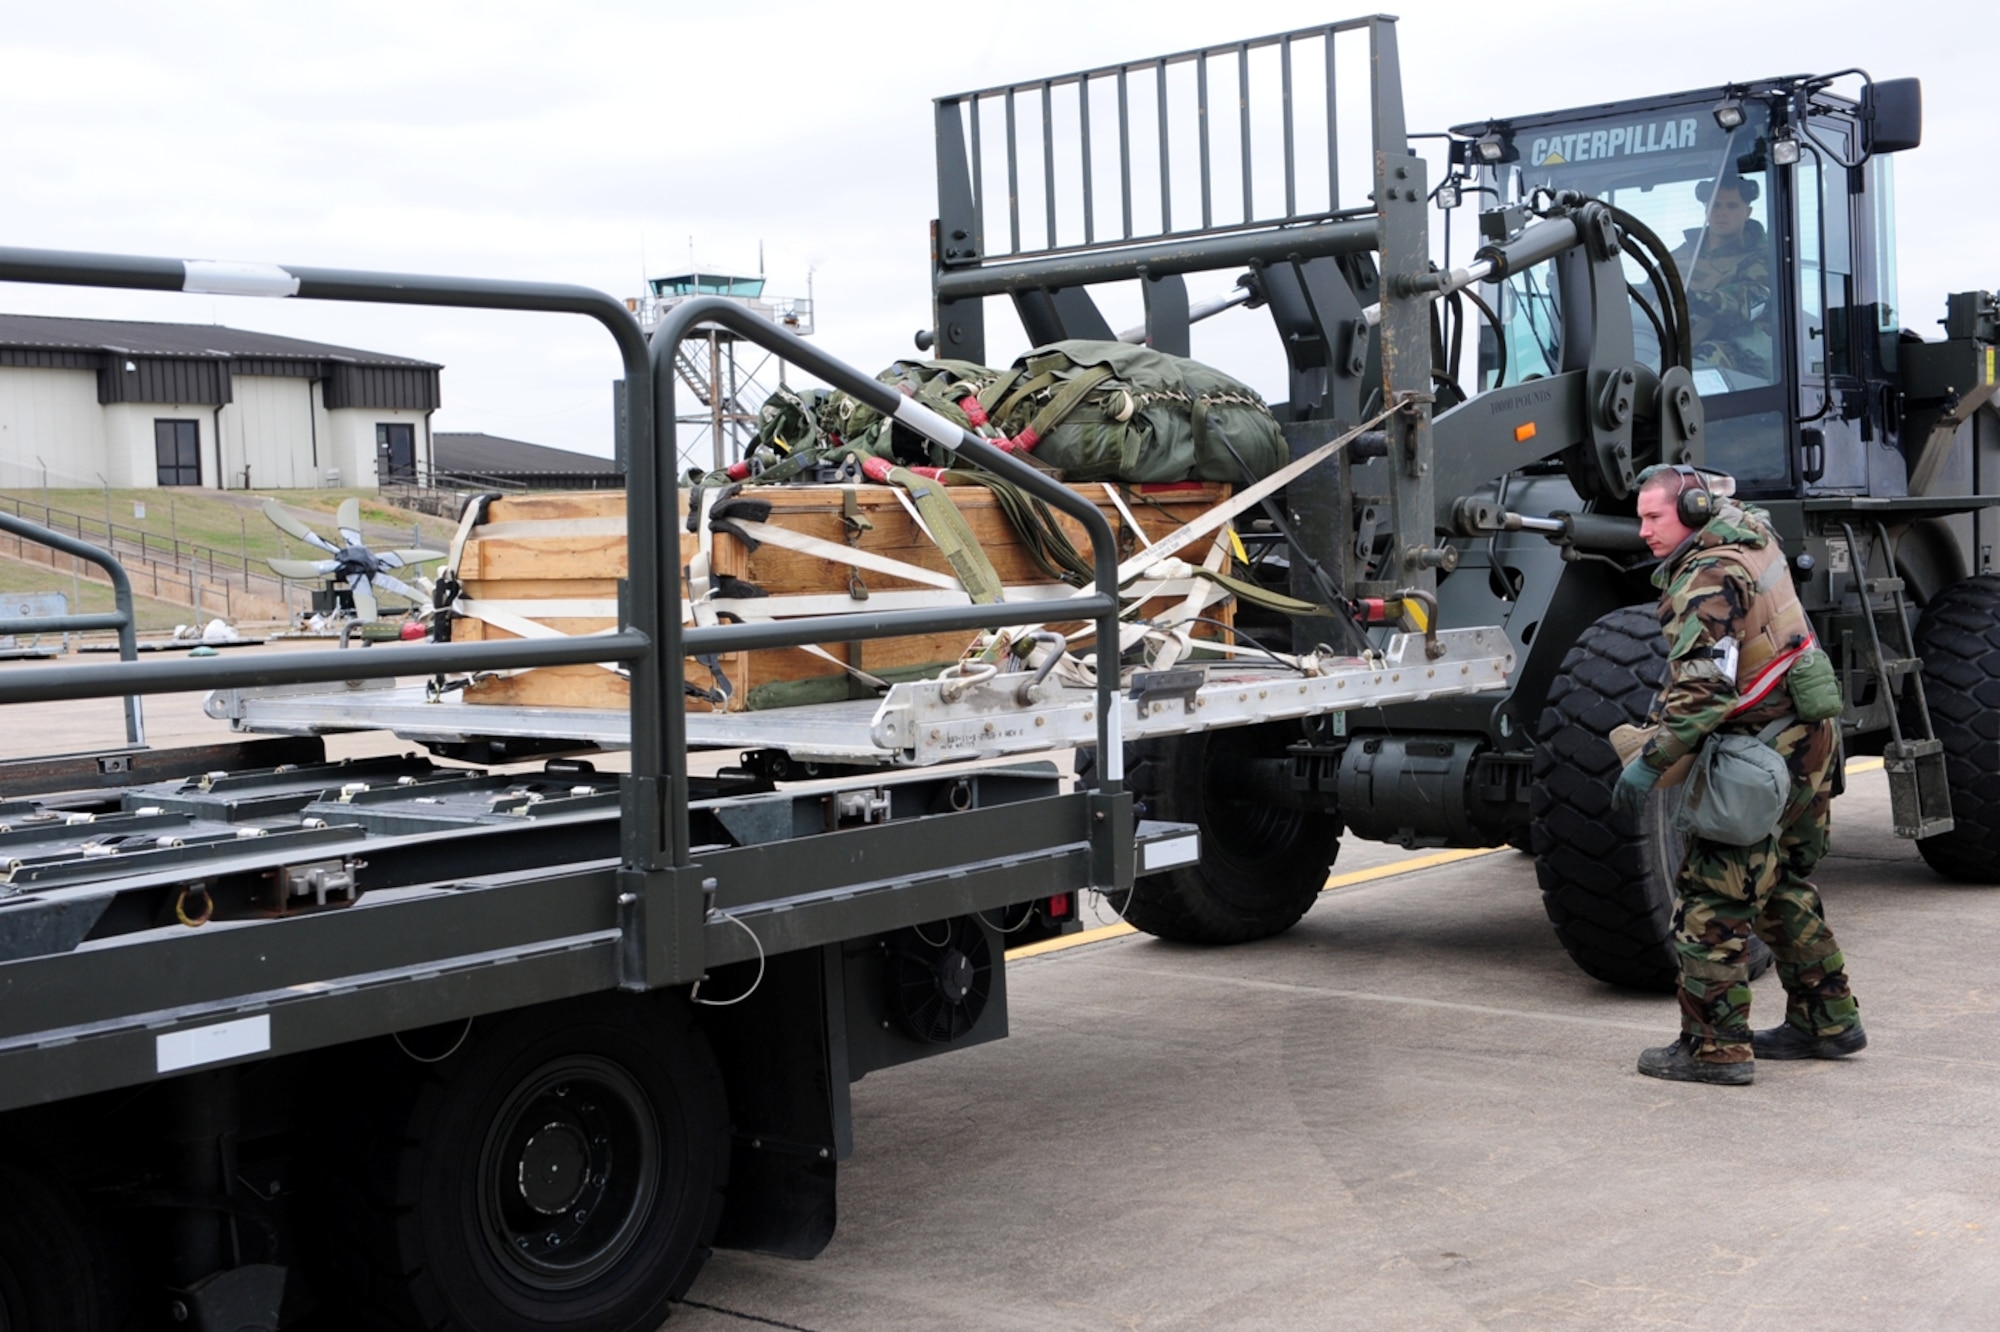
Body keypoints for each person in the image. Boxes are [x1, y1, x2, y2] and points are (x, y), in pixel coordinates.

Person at [1614, 465, 1864, 1085]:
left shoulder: (1707, 575)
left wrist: (1650, 763)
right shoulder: (1751, 536)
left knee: (1710, 901)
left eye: (1655, 517)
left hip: (1764, 750)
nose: (1643, 530)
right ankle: (1827, 1021)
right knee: (1781, 885)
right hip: (1810, 741)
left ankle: (1714, 1049)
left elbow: (1703, 692)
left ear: (1695, 509)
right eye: (1640, 517)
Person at [1672, 175, 1774, 381]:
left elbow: (1750, 301)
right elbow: (1650, 291)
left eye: (1732, 206)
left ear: (1748, 212)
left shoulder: (1762, 258)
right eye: (1716, 206)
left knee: (1703, 361)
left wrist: (1702, 300)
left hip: (1737, 354)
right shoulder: (1681, 255)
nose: (1722, 213)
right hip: (1675, 341)